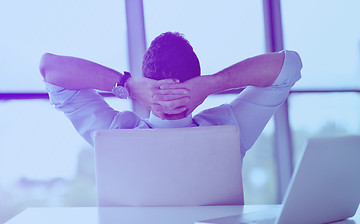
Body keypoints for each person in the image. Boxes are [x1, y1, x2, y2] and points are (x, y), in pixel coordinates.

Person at [40, 32, 302, 159]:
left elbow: (50, 69)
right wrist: (211, 85)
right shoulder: (230, 127)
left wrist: (128, 85)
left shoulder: (115, 132)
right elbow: (288, 66)